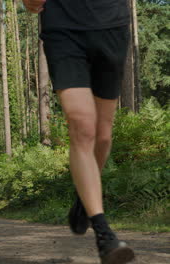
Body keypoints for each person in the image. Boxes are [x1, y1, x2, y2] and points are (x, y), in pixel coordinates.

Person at [21, 0, 135, 263]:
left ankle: (84, 200)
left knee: (103, 134)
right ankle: (104, 234)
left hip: (111, 25)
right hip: (63, 28)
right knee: (82, 125)